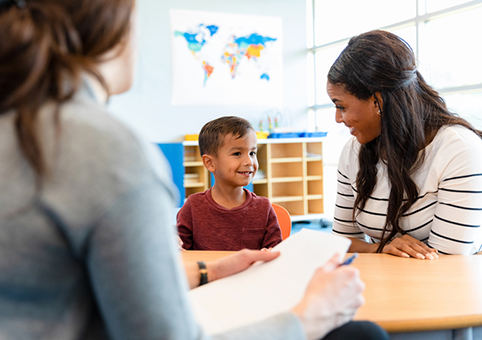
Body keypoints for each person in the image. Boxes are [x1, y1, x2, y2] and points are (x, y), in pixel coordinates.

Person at [0, 0, 390, 339]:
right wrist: (308, 319)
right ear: (118, 34)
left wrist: (209, 271)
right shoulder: (110, 153)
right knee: (361, 333)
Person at [327, 30, 482, 257]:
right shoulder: (354, 151)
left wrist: (379, 254)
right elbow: (341, 242)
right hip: (385, 283)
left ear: (377, 101)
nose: (338, 118)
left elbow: (447, 261)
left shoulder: (458, 149)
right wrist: (380, 248)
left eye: (341, 106)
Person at [177, 116, 282, 250]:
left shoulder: (263, 208)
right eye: (237, 153)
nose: (249, 162)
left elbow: (276, 252)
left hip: (250, 271)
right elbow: (179, 252)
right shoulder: (193, 206)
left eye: (252, 153)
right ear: (210, 163)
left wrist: (271, 252)